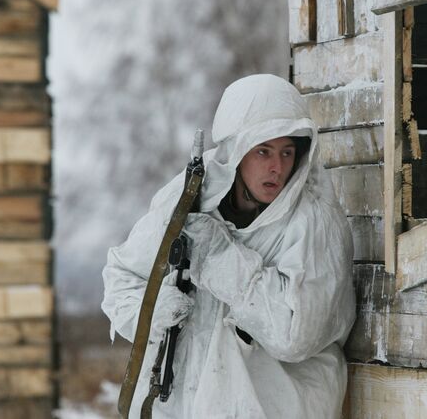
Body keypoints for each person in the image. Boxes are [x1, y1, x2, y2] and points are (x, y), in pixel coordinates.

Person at [102, 74, 356, 418]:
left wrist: (219, 258)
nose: (277, 167)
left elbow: (295, 335)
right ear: (237, 152)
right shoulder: (189, 200)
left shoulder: (313, 222)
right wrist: (151, 313)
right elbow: (123, 276)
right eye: (263, 151)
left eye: (287, 152)